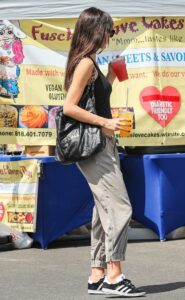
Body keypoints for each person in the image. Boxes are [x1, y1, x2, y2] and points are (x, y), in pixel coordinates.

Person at [63, 7, 146, 298]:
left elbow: (93, 100)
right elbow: (69, 108)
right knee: (120, 208)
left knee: (103, 211)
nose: (110, 35)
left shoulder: (91, 62)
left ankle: (97, 275)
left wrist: (109, 75)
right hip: (95, 144)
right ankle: (114, 276)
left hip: (102, 143)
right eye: (108, 30)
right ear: (96, 30)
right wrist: (106, 122)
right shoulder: (85, 62)